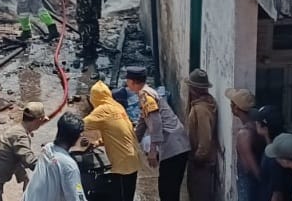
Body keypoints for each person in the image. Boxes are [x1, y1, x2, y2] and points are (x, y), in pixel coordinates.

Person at [125, 66, 191, 201]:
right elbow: (143, 122)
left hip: (174, 148)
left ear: (132, 82)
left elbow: (156, 123)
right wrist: (131, 142)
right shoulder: (147, 93)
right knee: (170, 190)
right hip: (178, 145)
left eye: (127, 81)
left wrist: (152, 150)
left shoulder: (145, 96)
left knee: (167, 191)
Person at [0, 102, 48, 201]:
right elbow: (31, 162)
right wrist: (51, 169)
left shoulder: (17, 129)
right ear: (39, 120)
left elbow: (17, 158)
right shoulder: (20, 136)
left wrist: (24, 178)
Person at [83, 81, 140, 201]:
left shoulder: (102, 110)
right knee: (126, 195)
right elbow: (116, 132)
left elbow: (80, 125)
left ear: (94, 98)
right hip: (132, 159)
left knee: (121, 196)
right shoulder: (117, 106)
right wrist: (99, 142)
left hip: (123, 165)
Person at [23, 112, 88, 201]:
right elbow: (77, 198)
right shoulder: (70, 167)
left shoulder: (47, 149)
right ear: (77, 137)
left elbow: (58, 157)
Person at [226, 88, 266, 201]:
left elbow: (251, 167)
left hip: (249, 181)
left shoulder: (244, 134)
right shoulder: (257, 126)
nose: (230, 106)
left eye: (232, 104)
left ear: (236, 109)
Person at [185, 68, 218, 201]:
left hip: (201, 161)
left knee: (198, 194)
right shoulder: (208, 103)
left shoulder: (201, 109)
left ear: (193, 88)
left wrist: (198, 157)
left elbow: (205, 138)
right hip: (204, 160)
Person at [252, 106, 292, 201]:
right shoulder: (281, 143)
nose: (255, 123)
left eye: (258, 122)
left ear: (265, 128)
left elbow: (277, 194)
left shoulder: (274, 157)